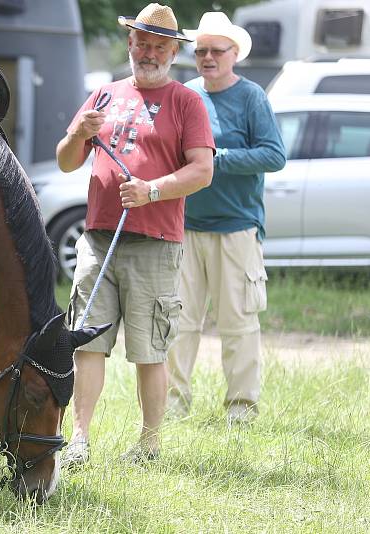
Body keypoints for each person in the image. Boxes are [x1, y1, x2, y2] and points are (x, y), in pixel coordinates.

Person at [56, 3, 215, 466]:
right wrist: (76, 135)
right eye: (142, 43)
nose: (149, 53)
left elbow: (202, 170)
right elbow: (67, 159)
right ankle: (79, 441)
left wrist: (151, 191)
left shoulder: (187, 101)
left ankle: (149, 444)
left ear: (172, 52)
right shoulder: (103, 95)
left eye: (159, 46)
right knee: (87, 342)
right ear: (130, 44)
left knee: (150, 349)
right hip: (98, 240)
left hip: (155, 243)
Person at [166, 12, 286, 424]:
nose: (207, 57)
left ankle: (241, 411)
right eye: (200, 51)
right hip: (184, 227)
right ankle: (172, 408)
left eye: (217, 50)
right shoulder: (184, 94)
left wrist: (217, 159)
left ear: (235, 54)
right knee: (178, 324)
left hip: (237, 228)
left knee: (239, 326)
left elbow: (275, 155)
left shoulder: (252, 97)